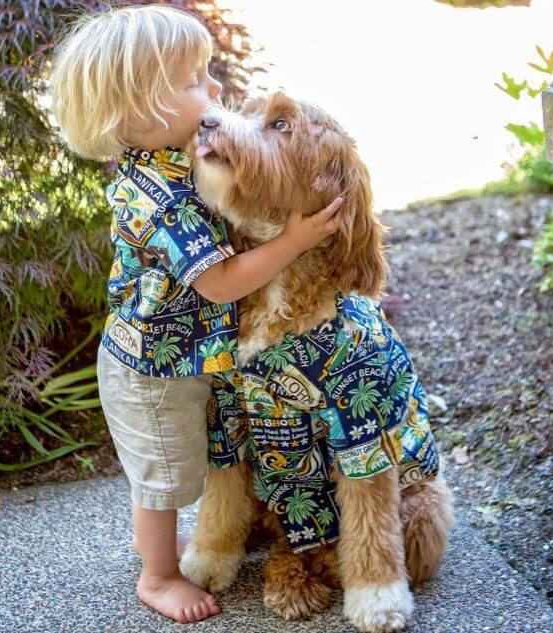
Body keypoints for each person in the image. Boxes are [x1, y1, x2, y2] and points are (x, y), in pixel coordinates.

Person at [49, 3, 344, 624]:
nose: (215, 90)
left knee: (183, 463)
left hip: (182, 354)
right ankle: (155, 576)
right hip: (153, 370)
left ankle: (164, 550)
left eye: (208, 73)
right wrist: (292, 243)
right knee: (164, 477)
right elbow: (216, 283)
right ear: (135, 111)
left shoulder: (172, 154)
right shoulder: (158, 197)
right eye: (193, 82)